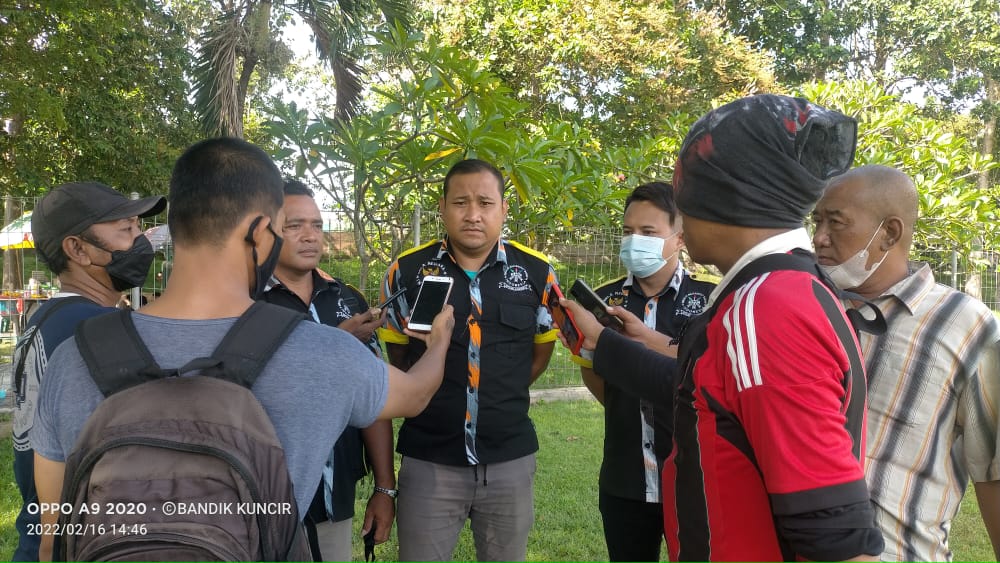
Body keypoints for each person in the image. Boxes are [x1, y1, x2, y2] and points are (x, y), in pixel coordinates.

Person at [31, 137, 455, 562]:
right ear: (258, 232)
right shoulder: (322, 352)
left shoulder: (74, 359)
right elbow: (416, 394)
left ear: (176, 226)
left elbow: (54, 537)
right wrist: (438, 340)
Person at [560, 94, 884, 561]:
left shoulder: (766, 309)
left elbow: (834, 534)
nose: (683, 218)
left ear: (729, 197)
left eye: (688, 196)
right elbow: (708, 390)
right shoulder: (778, 287)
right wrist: (601, 341)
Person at [811, 164, 1000, 562]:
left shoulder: (967, 326)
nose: (819, 238)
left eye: (835, 222)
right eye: (817, 221)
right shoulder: (809, 308)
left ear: (889, 233)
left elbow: (993, 471)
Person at [379, 158, 558, 561]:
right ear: (442, 207)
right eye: (460, 203)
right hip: (430, 461)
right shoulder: (406, 271)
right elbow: (399, 363)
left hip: (508, 461)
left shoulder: (537, 272)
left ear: (503, 209)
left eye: (485, 203)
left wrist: (498, 393)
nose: (473, 215)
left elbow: (539, 353)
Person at [11, 181, 165, 561]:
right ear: (77, 249)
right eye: (125, 230)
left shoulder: (49, 316)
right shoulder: (94, 331)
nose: (141, 242)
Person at [574, 181, 715, 561]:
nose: (635, 241)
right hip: (624, 480)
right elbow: (594, 374)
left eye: (648, 232)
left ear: (679, 238)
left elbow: (713, 374)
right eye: (628, 231)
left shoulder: (711, 299)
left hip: (693, 479)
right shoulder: (602, 302)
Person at [261, 180, 396, 561]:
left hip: (335, 489)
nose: (310, 237)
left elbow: (372, 396)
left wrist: (385, 488)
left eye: (317, 226)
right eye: (294, 226)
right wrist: (336, 343)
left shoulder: (345, 298)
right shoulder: (244, 302)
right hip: (266, 494)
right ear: (265, 232)